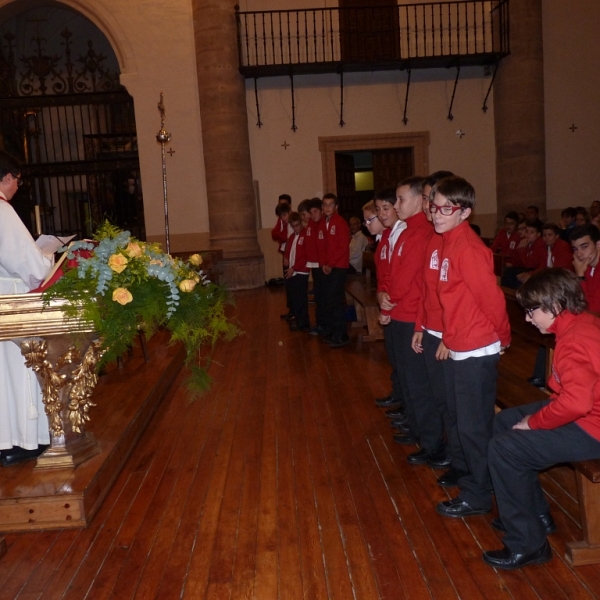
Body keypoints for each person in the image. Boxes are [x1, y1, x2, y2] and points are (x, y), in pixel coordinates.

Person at [483, 268, 600, 569]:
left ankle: (528, 544)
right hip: (587, 415)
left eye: (532, 311)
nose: (527, 319)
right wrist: (531, 418)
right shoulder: (579, 323)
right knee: (504, 422)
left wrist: (534, 422)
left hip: (593, 428)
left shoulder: (573, 340)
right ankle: (535, 514)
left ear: (554, 306)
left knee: (505, 449)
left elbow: (576, 403)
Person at [430, 176, 511, 519]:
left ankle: (478, 495)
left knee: (473, 427)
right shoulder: (449, 240)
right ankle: (479, 481)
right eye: (434, 206)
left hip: (477, 349)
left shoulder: (469, 248)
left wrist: (503, 337)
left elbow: (491, 300)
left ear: (464, 212)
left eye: (445, 208)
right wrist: (448, 336)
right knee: (464, 422)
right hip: (460, 343)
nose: (436, 214)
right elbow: (454, 301)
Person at [380, 176, 443, 465]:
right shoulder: (406, 231)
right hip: (399, 312)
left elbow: (408, 280)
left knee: (418, 382)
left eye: (401, 199)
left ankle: (430, 441)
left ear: (419, 200)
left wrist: (389, 297)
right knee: (407, 377)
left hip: (410, 314)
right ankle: (418, 429)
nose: (396, 205)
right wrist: (384, 294)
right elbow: (394, 270)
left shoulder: (421, 233)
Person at [0, 150, 54, 466]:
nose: (17, 186)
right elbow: (30, 267)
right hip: (10, 299)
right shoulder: (3, 211)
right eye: (17, 180)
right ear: (6, 177)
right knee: (18, 368)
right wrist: (49, 258)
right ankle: (21, 441)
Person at [370, 189, 405, 412]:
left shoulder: (403, 233)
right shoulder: (387, 236)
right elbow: (386, 273)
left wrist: (386, 298)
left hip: (401, 308)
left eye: (386, 208)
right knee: (395, 358)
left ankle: (405, 407)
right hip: (390, 303)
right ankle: (400, 399)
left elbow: (400, 274)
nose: (382, 214)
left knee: (405, 364)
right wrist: (381, 293)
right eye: (378, 209)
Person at [320, 193, 351, 348]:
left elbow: (342, 247)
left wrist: (330, 264)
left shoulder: (340, 223)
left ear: (336, 207)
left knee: (335, 300)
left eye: (331, 204)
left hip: (339, 266)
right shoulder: (323, 223)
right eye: (325, 204)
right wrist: (324, 264)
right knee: (329, 300)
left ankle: (342, 335)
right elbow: (323, 247)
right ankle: (334, 332)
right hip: (329, 266)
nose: (327, 207)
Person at [283, 212, 310, 331]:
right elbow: (288, 250)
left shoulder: (305, 236)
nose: (296, 228)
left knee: (301, 298)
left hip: (301, 271)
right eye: (293, 226)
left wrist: (294, 268)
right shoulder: (292, 237)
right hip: (293, 270)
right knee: (294, 297)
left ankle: (303, 322)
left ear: (301, 223)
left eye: (297, 225)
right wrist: (286, 258)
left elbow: (304, 256)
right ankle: (298, 319)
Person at [501, 220, 546, 288]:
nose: (528, 235)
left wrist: (522, 250)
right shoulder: (526, 242)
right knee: (509, 271)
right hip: (527, 268)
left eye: (532, 232)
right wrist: (519, 249)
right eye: (526, 231)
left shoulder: (540, 244)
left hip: (536, 270)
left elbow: (530, 264)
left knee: (516, 277)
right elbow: (518, 262)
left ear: (538, 234)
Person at [570, 224, 600, 314]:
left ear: (598, 244)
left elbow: (593, 310)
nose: (579, 254)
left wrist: (580, 276)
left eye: (584, 247)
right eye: (575, 249)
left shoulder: (582, 268)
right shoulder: (586, 265)